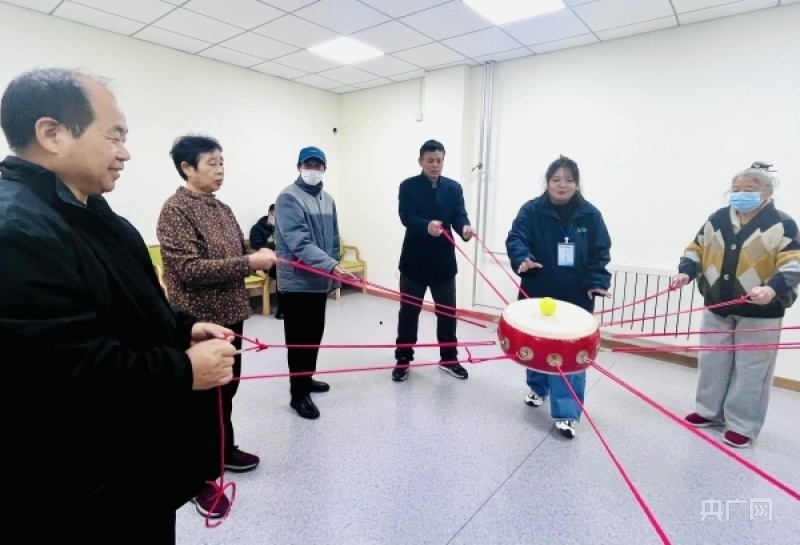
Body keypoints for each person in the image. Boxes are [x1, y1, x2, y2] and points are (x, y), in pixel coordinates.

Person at [0, 68, 236, 543]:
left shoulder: (89, 211)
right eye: (115, 136)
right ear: (52, 134)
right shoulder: (17, 231)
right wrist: (184, 370)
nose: (125, 152)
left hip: (132, 463)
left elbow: (129, 305)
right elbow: (64, 371)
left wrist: (182, 327)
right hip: (82, 485)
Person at [157, 135, 275, 516]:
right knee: (201, 403)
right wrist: (249, 263)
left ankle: (223, 450)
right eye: (212, 163)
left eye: (222, 162)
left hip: (231, 316)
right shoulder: (175, 210)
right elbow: (189, 270)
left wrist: (259, 255)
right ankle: (200, 479)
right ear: (186, 168)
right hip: (199, 322)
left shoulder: (222, 208)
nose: (221, 170)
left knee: (226, 391)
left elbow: (240, 249)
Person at [671, 162, 800, 448]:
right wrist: (686, 272)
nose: (740, 194)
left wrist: (772, 288)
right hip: (718, 305)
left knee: (752, 370)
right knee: (712, 363)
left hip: (761, 311)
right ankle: (709, 412)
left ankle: (743, 424)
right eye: (736, 189)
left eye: (749, 189)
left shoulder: (783, 224)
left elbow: (793, 263)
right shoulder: (718, 218)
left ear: (766, 192)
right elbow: (695, 248)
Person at [505, 155, 611, 439]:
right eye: (556, 179)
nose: (562, 185)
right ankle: (537, 388)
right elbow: (516, 238)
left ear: (577, 184)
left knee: (571, 353)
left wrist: (597, 281)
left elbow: (600, 252)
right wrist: (522, 258)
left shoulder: (590, 215)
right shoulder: (531, 210)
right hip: (537, 289)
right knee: (535, 343)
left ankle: (567, 412)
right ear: (547, 182)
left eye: (569, 180)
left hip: (576, 295)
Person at [275, 146, 355, 419]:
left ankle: (306, 379)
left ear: (324, 169)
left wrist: (333, 273)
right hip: (297, 283)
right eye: (308, 165)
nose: (313, 169)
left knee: (313, 336)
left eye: (317, 165)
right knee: (299, 341)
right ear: (299, 167)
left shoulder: (327, 199)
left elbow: (333, 239)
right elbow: (299, 243)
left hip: (320, 281)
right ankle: (298, 395)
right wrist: (331, 265)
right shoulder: (288, 198)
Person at [392, 139, 474, 382]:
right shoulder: (408, 186)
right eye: (430, 160)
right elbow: (406, 217)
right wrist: (426, 226)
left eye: (439, 160)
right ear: (420, 161)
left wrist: (465, 229)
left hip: (443, 263)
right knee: (409, 313)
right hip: (414, 262)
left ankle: (449, 358)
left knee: (447, 314)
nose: (435, 165)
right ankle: (403, 358)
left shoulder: (454, 188)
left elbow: (459, 215)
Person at [250, 203, 283, 318]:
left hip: (281, 260)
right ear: (270, 214)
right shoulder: (257, 229)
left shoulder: (282, 228)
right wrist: (274, 243)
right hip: (265, 263)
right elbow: (257, 247)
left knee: (293, 270)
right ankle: (282, 309)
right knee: (281, 271)